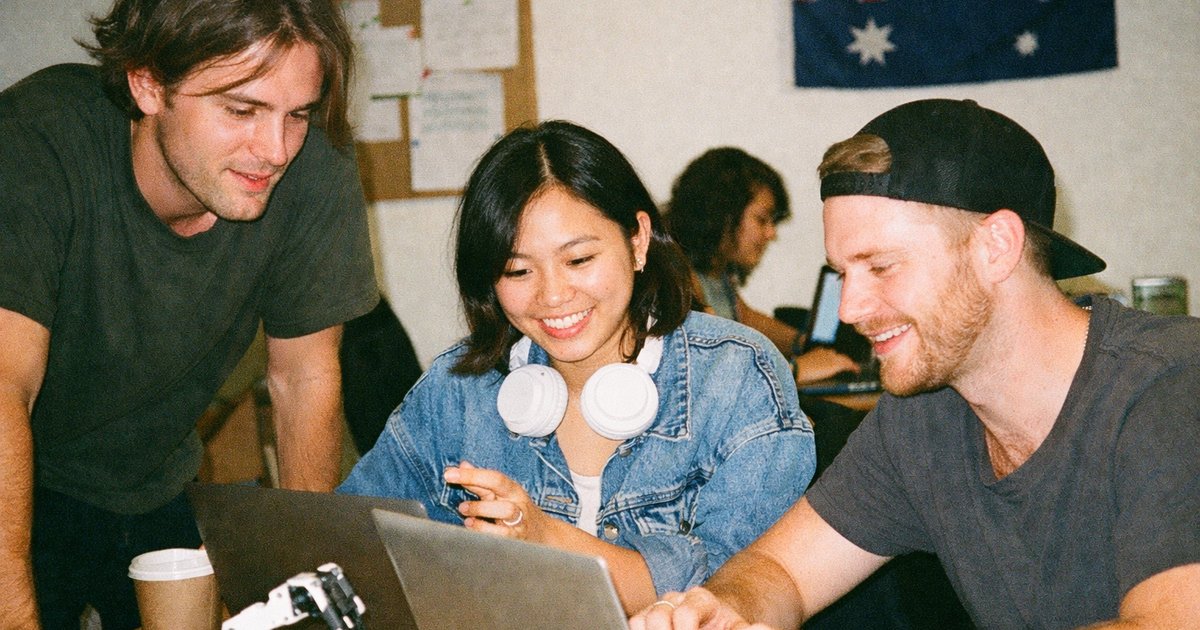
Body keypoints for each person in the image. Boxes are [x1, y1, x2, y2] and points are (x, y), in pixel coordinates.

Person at [631, 99, 1200, 629]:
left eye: (880, 267)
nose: (851, 309)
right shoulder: (922, 419)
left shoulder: (1172, 385)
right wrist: (721, 608)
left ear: (996, 247)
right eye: (843, 274)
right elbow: (779, 572)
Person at [0, 0, 378, 627]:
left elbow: (303, 379)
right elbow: (4, 383)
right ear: (148, 83)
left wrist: (302, 597)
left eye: (298, 115)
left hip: (150, 480)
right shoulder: (35, 140)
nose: (276, 149)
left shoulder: (314, 169)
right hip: (21, 476)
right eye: (241, 109)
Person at [338, 120, 816, 615]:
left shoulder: (737, 376)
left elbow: (736, 593)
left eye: (580, 259)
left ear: (637, 242)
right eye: (518, 270)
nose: (552, 296)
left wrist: (546, 539)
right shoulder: (458, 389)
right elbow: (347, 541)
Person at [666, 147, 859, 384]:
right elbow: (712, 370)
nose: (771, 233)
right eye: (761, 220)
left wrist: (806, 342)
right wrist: (796, 369)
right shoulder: (677, 280)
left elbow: (748, 320)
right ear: (723, 215)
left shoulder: (715, 275)